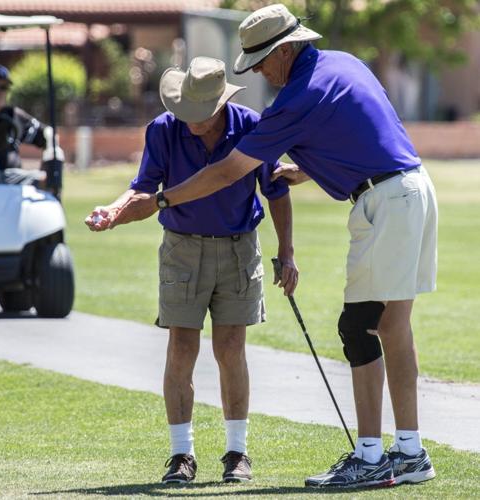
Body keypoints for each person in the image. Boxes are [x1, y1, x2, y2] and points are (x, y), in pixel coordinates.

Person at [110, 3, 438, 490]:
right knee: (393, 325)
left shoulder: (297, 97)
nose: (259, 71)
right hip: (412, 189)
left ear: (285, 49)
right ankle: (409, 451)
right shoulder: (344, 64)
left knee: (360, 326)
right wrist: (306, 169)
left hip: (384, 203)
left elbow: (227, 172)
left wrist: (160, 200)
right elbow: (366, 132)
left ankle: (372, 457)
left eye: (261, 59)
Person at [85, 57, 298, 484]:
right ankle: (181, 456)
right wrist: (113, 209)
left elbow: (275, 192)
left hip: (240, 249)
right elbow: (143, 186)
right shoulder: (164, 128)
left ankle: (237, 453)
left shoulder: (252, 127)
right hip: (182, 250)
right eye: (187, 111)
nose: (192, 121)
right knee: (182, 349)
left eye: (201, 113)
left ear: (220, 104)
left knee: (230, 349)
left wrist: (287, 252)